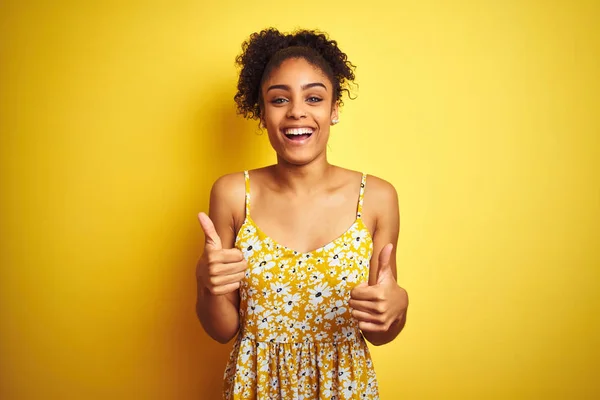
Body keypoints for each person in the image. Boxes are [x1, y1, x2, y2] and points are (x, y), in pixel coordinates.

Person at [195, 28, 409, 400]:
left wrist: (398, 307)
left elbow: (380, 332)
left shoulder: (376, 198)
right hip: (256, 388)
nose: (297, 111)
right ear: (261, 113)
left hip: (344, 388)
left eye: (313, 97)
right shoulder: (232, 194)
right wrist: (205, 279)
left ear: (334, 109)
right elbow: (223, 329)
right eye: (279, 100)